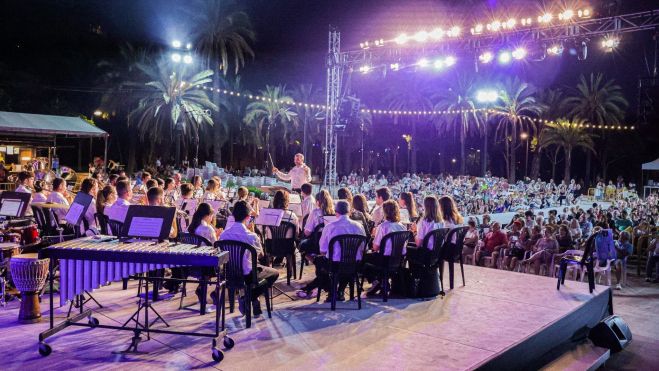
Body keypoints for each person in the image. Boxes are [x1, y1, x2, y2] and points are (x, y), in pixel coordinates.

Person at [219, 201, 279, 316]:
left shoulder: (224, 235)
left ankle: (248, 297)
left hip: (229, 272)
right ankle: (250, 297)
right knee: (274, 273)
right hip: (247, 275)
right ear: (247, 217)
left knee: (257, 268)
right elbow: (260, 255)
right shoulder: (251, 236)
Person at [304, 200, 366, 301]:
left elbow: (322, 251)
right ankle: (340, 291)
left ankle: (332, 291)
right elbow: (363, 248)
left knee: (319, 263)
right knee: (345, 265)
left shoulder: (330, 226)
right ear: (349, 212)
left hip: (334, 264)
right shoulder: (359, 226)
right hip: (355, 264)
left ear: (336, 212)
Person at [363, 200, 406, 296]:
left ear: (385, 212)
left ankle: (378, 282)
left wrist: (374, 235)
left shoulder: (383, 227)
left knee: (363, 260)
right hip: (398, 260)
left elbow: (375, 247)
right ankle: (382, 282)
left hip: (385, 260)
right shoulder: (402, 227)